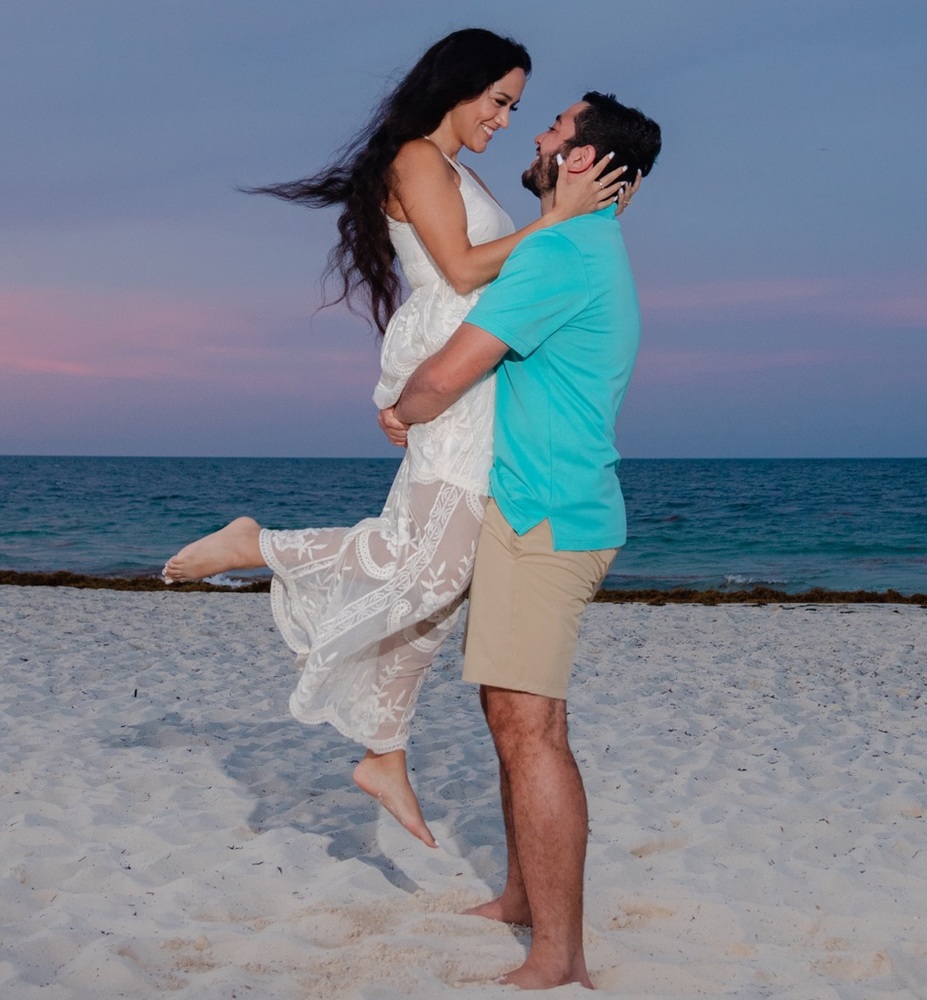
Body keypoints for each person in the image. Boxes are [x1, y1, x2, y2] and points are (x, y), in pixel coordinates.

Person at [161, 29, 625, 849]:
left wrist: (568, 220)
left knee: (437, 582)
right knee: (432, 562)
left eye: (516, 107)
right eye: (499, 100)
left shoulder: (463, 171)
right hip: (456, 363)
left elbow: (497, 273)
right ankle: (256, 544)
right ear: (459, 84)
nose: (506, 119)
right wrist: (556, 218)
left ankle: (385, 752)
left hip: (475, 369)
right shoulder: (416, 156)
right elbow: (463, 268)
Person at [385, 91, 661, 989]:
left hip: (547, 518)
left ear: (580, 161)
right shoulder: (586, 244)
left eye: (554, 129)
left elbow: (457, 367)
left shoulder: (559, 252)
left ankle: (559, 955)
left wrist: (402, 407)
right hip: (543, 507)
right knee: (514, 717)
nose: (537, 135)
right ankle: (520, 898)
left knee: (530, 728)